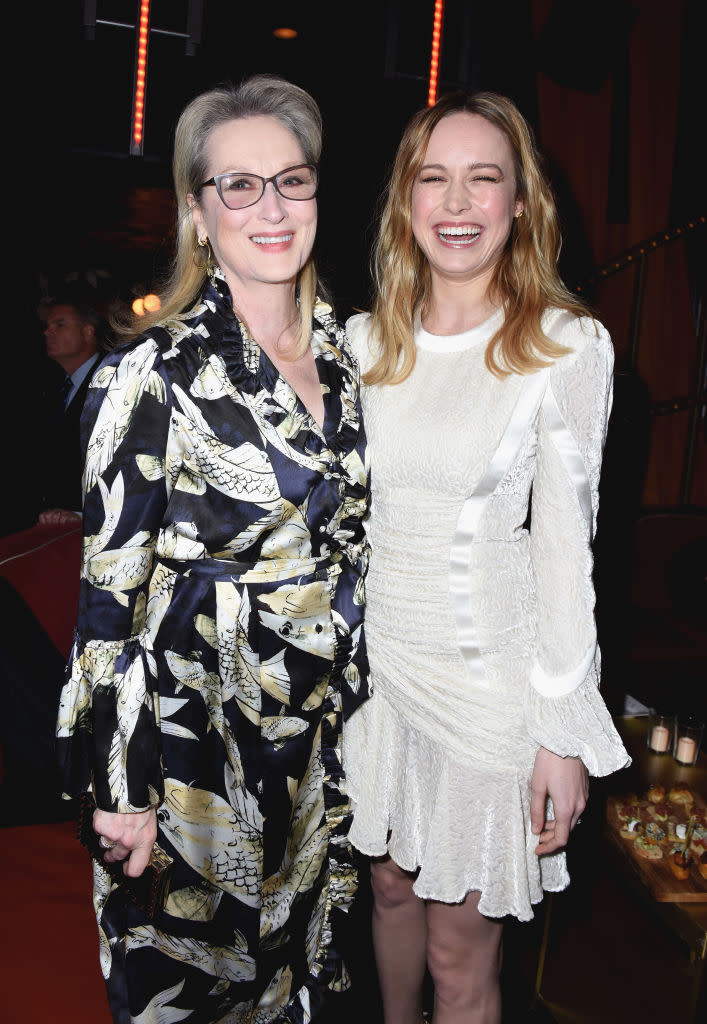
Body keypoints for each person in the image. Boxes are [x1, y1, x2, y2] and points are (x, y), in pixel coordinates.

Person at [55, 74, 370, 1024]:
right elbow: (106, 602)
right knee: (190, 999)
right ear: (199, 213)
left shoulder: (353, 358)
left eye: (292, 180)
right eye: (238, 185)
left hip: (319, 751)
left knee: (290, 990)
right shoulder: (149, 372)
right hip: (192, 753)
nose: (270, 207)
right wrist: (118, 792)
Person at [342, 90, 631, 1023]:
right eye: (434, 178)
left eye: (483, 179)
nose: (456, 203)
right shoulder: (359, 344)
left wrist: (559, 730)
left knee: (456, 952)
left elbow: (564, 553)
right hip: (378, 678)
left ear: (519, 203)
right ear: (405, 202)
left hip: (488, 689)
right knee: (385, 892)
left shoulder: (562, 345)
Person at [38, 296, 105, 525]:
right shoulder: (49, 387)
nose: (48, 332)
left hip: (88, 528)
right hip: (51, 523)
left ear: (87, 332)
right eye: (47, 326)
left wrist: (80, 513)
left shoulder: (111, 382)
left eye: (59, 325)